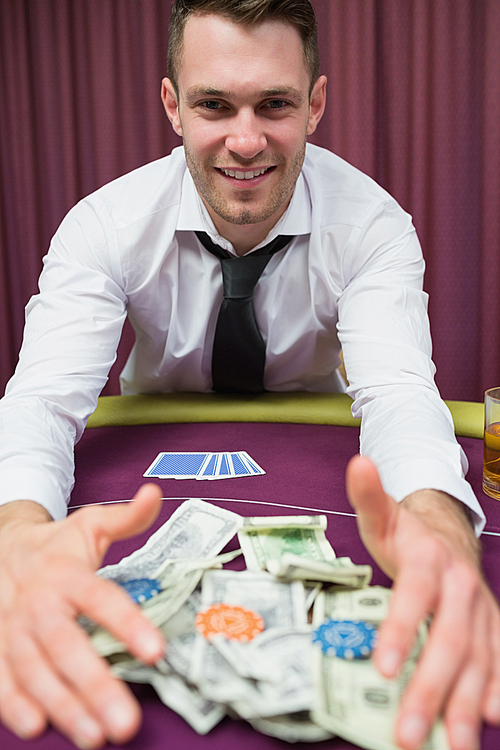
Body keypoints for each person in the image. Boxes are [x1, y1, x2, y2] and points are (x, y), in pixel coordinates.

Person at [0, 1, 498, 749]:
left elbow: (397, 394)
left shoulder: (373, 226)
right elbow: (41, 399)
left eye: (274, 104)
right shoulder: (103, 225)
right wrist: (16, 534)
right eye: (213, 104)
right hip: (147, 470)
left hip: (329, 461)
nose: (244, 140)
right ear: (172, 106)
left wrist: (437, 524)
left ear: (316, 104)